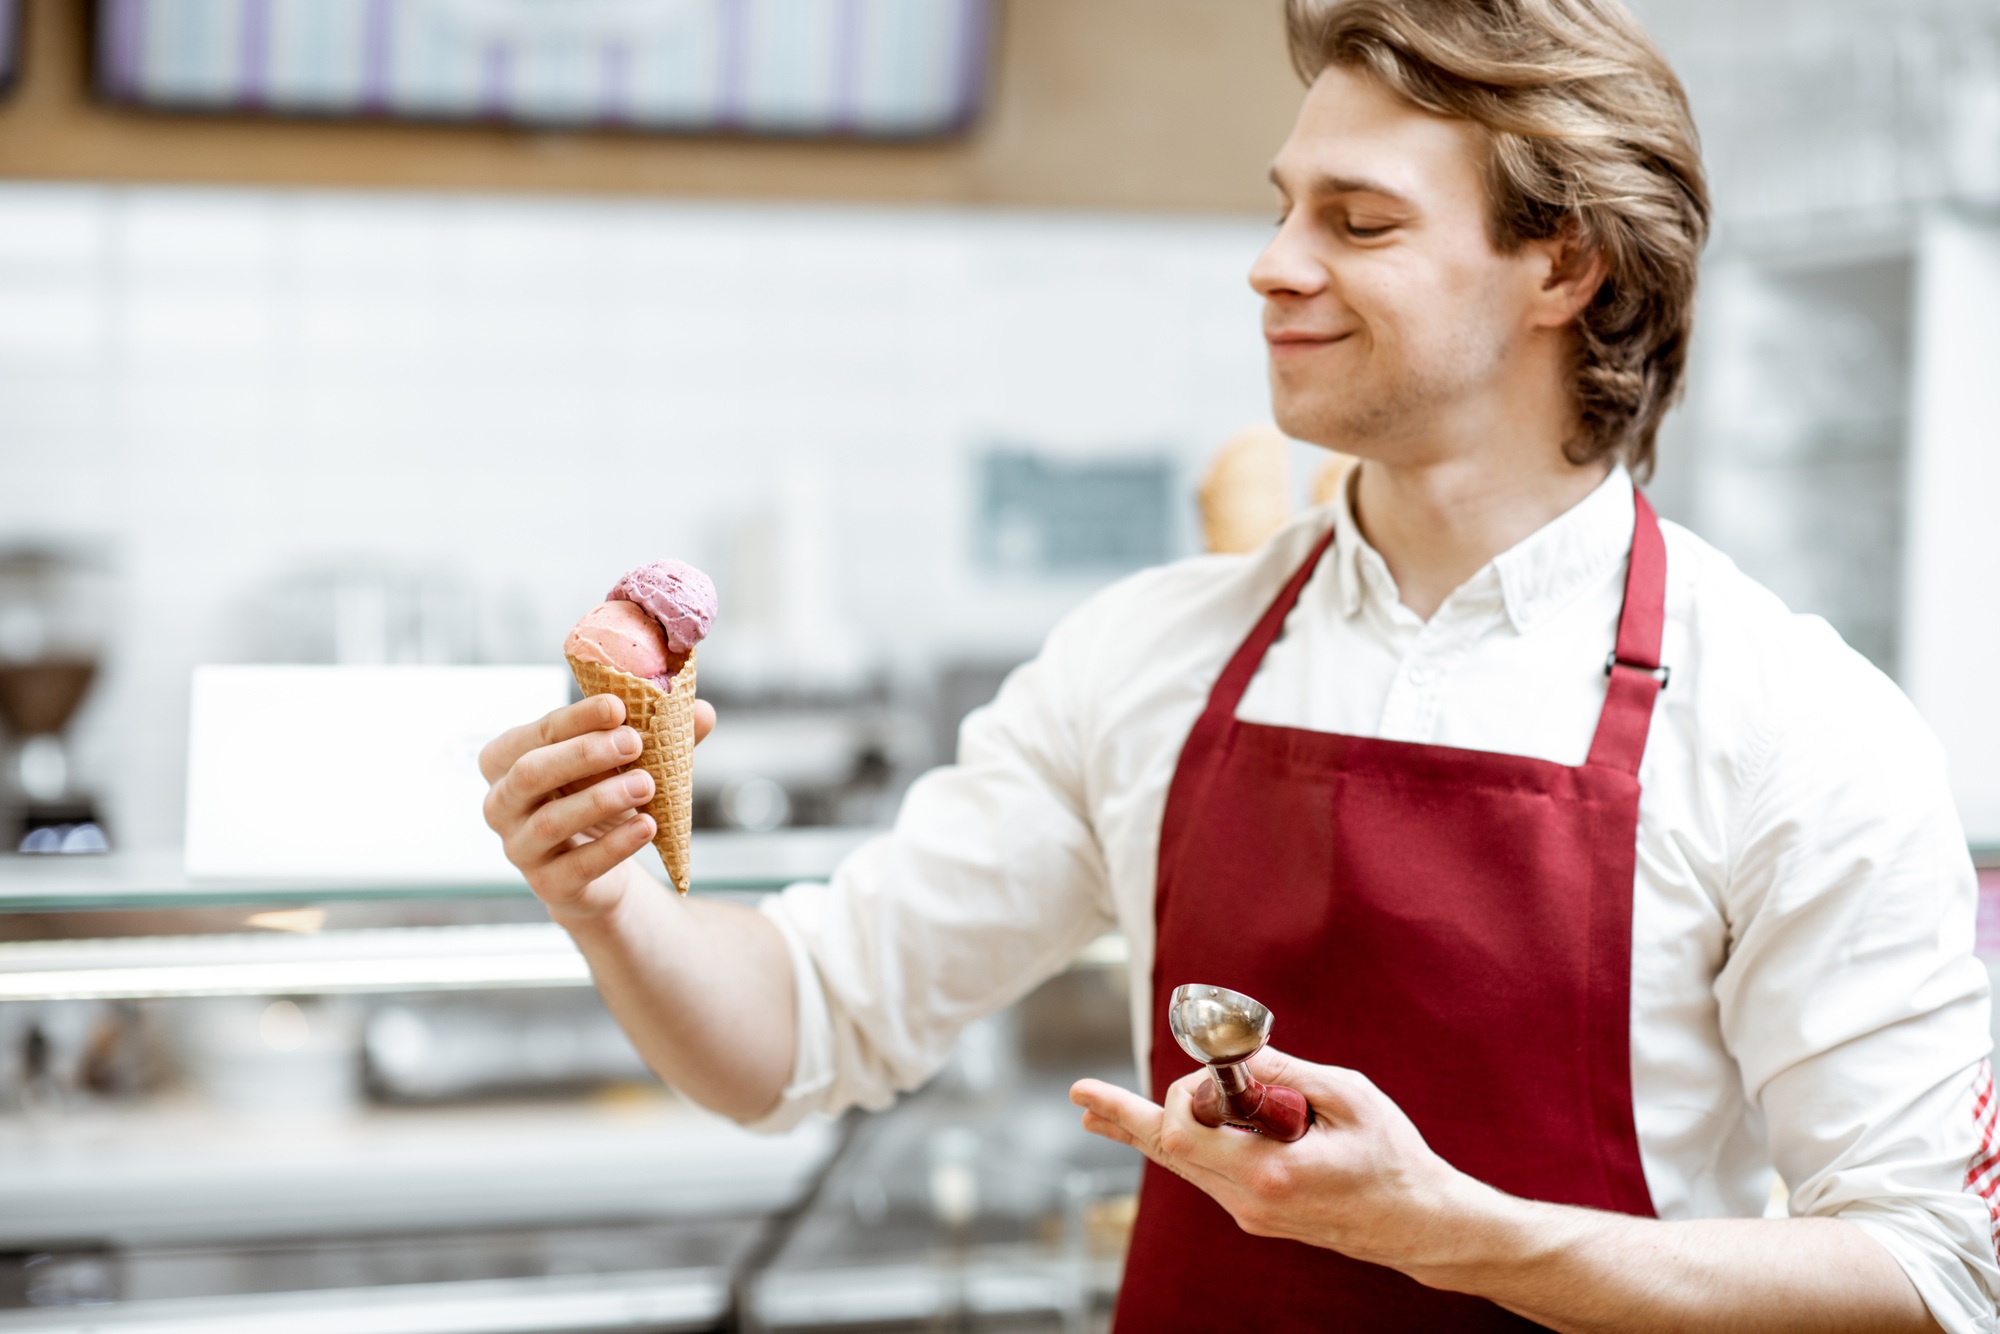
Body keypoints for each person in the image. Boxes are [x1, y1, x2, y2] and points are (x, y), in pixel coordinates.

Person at [478, 0, 2000, 1327]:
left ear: (1566, 267)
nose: (1273, 265)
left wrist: (1467, 1238)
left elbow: (1932, 1269)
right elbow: (799, 1029)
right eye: (1284, 208)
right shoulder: (1150, 654)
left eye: (1359, 222)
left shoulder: (1792, 722)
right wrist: (614, 899)